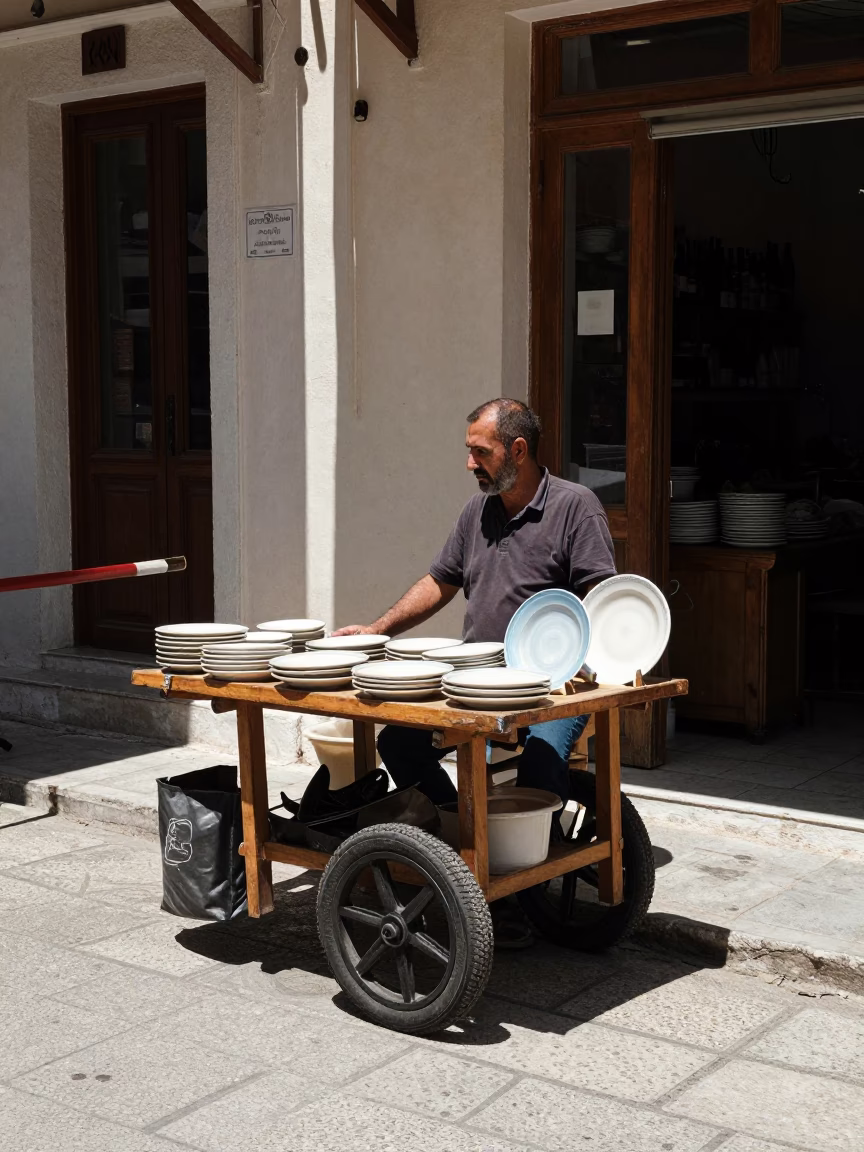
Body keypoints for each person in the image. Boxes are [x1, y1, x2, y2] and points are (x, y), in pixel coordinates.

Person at [333, 397, 617, 813]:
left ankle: (535, 864)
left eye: (480, 452)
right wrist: (377, 630)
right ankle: (458, 825)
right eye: (470, 451)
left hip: (551, 686)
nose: (470, 463)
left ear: (518, 450)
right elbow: (439, 582)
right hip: (476, 679)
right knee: (398, 743)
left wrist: (584, 668)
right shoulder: (477, 511)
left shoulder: (575, 506)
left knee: (540, 763)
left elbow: (602, 599)